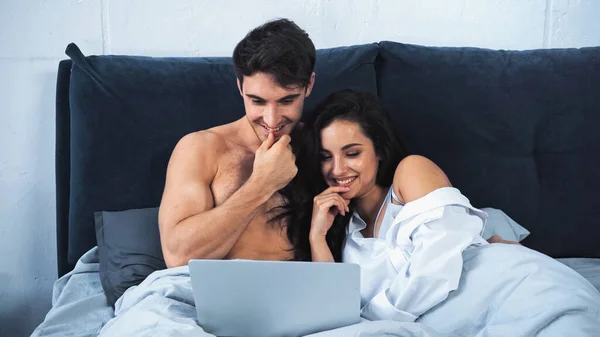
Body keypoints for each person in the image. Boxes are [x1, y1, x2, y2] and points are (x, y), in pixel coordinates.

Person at [293, 89, 600, 334]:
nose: (337, 169)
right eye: (325, 157)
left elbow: (436, 265)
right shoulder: (343, 231)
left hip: (506, 290)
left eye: (353, 153)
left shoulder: (410, 173)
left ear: (380, 152)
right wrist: (317, 236)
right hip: (452, 323)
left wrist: (371, 321)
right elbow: (335, 311)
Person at [157, 18, 316, 267]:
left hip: (295, 293)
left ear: (309, 85)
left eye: (287, 101)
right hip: (203, 293)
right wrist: (262, 184)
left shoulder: (325, 147)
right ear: (240, 87)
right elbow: (178, 257)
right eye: (258, 101)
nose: (272, 119)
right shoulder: (201, 148)